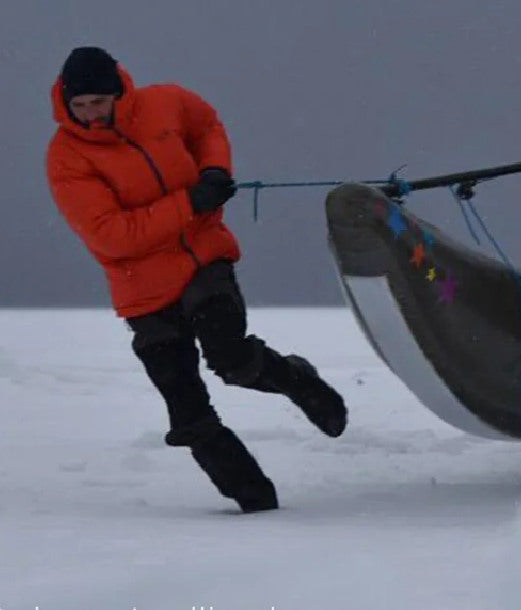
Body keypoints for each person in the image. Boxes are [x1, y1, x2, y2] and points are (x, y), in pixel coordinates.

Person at [46, 46, 347, 513]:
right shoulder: (66, 157)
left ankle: (298, 380)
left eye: (98, 103)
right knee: (186, 408)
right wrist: (191, 202)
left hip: (204, 262)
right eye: (79, 106)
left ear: (119, 91)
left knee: (231, 360)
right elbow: (111, 236)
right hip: (142, 290)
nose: (90, 115)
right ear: (65, 102)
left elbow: (206, 126)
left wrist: (215, 170)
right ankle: (254, 501)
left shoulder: (167, 102)